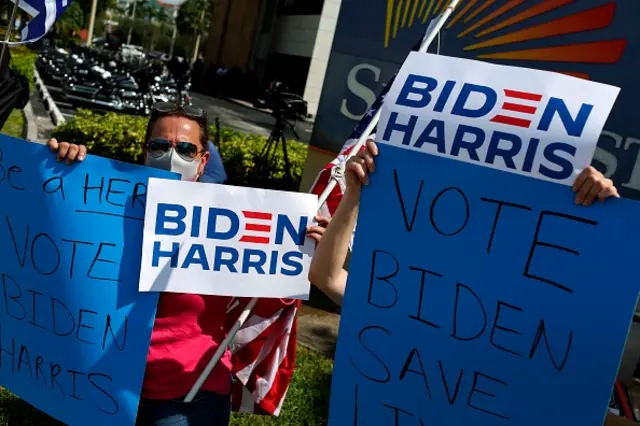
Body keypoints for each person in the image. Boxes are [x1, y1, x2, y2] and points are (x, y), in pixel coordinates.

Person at [47, 101, 326, 425]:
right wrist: (61, 170)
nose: (171, 155)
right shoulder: (106, 204)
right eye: (161, 145)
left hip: (188, 392)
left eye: (185, 148)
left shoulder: (228, 225)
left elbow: (264, 299)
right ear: (145, 149)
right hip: (100, 380)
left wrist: (298, 252)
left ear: (203, 160)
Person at [308, 139, 621, 306]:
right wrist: (354, 194)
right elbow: (328, 277)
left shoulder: (532, 317)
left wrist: (605, 211)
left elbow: (598, 301)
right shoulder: (407, 303)